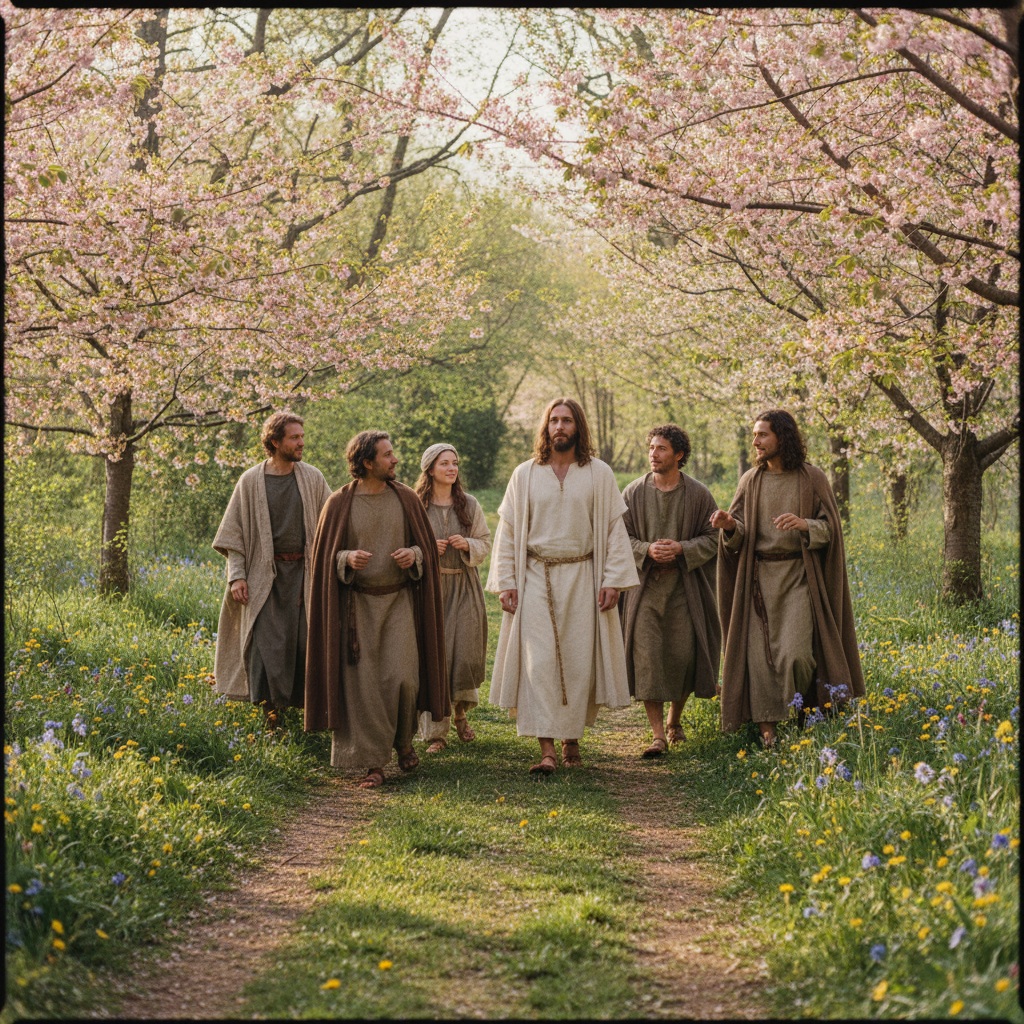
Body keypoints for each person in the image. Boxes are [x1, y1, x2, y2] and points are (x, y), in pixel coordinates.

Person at [486, 397, 639, 774]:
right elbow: (507, 535)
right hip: (536, 576)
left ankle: (571, 740)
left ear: (578, 427)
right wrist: (507, 581)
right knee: (539, 663)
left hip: (584, 576)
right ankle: (548, 750)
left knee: (575, 662)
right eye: (553, 420)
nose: (559, 427)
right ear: (545, 427)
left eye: (566, 420)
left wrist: (613, 581)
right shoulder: (524, 474)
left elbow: (613, 532)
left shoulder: (598, 473)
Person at [710, 409, 864, 747]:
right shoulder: (751, 480)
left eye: (763, 435)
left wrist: (806, 525)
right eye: (755, 435)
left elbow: (832, 529)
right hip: (757, 581)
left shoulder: (812, 478)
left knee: (796, 654)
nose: (756, 442)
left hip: (798, 578)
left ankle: (797, 714)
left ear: (782, 436)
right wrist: (730, 526)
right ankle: (769, 732)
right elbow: (739, 531)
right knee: (759, 657)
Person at [303, 430, 447, 788]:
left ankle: (402, 743)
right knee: (364, 688)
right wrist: (345, 558)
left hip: (399, 601)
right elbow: (321, 560)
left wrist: (413, 555)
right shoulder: (339, 504)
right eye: (387, 455)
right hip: (357, 609)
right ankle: (373, 765)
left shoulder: (407, 499)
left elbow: (426, 549)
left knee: (403, 679)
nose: (395, 460)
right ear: (367, 463)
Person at [212, 411, 333, 726]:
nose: (301, 443)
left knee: (307, 644)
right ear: (275, 441)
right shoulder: (251, 480)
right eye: (295, 437)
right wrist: (236, 576)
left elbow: (332, 525)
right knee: (264, 648)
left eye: (302, 437)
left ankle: (311, 715)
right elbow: (234, 535)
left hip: (305, 575)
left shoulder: (313, 477)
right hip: (264, 576)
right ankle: (271, 718)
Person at [620, 425, 721, 758]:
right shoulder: (632, 493)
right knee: (647, 656)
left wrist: (681, 548)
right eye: (651, 447)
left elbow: (712, 538)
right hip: (646, 587)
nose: (653, 454)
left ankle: (676, 720)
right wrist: (646, 550)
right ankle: (658, 735)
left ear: (679, 455)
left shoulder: (699, 494)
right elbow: (619, 538)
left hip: (684, 588)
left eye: (661, 448)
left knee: (683, 654)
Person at [413, 443, 491, 753]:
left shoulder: (469, 505)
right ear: (430, 469)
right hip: (429, 590)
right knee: (435, 658)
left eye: (455, 463)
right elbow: (405, 545)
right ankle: (437, 734)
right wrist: (427, 549)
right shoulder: (416, 505)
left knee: (463, 656)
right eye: (444, 463)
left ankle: (459, 714)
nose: (451, 468)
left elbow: (485, 542)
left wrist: (468, 544)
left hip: (464, 587)